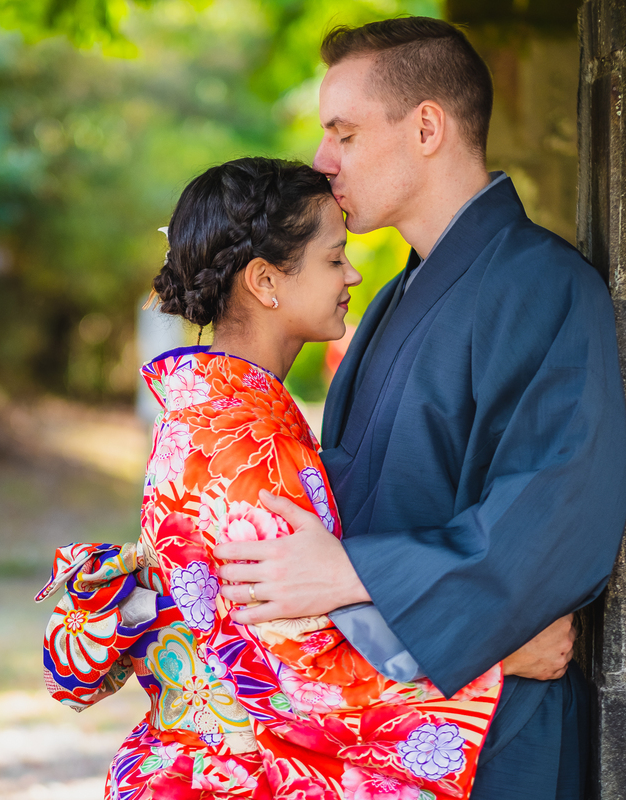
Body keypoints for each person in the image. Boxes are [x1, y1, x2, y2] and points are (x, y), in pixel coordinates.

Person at [213, 18, 626, 800]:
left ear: (428, 126)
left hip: (500, 735)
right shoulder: (391, 300)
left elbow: (549, 522)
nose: (322, 159)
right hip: (394, 718)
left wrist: (350, 570)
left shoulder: (545, 287)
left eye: (343, 132)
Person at [39, 157, 509, 799]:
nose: (354, 273)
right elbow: (293, 668)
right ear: (266, 280)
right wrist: (491, 662)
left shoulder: (218, 414)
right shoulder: (244, 443)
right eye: (334, 257)